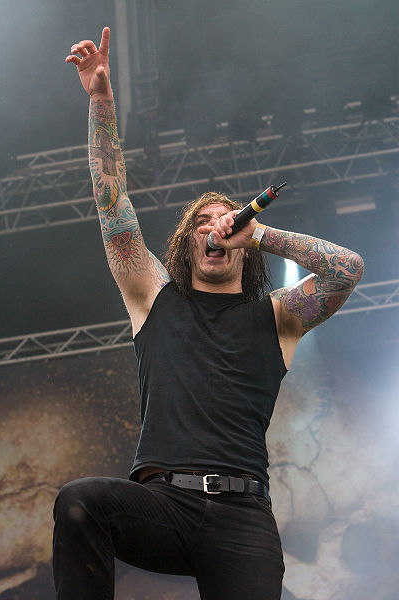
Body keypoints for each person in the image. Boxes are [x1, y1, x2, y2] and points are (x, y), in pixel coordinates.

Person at [54, 27, 364, 600]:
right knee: (79, 503)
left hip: (243, 516)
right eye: (202, 224)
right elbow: (111, 200)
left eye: (226, 222)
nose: (215, 230)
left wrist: (261, 232)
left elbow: (347, 269)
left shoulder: (277, 317)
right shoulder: (153, 295)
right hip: (161, 503)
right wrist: (100, 102)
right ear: (186, 243)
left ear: (244, 246)